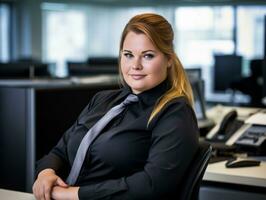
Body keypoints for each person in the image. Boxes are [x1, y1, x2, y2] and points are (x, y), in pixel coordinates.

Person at [32, 13, 199, 200]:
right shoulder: (102, 100)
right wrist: (46, 172)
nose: (135, 65)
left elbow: (152, 185)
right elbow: (60, 150)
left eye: (148, 56)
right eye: (128, 55)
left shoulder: (174, 112)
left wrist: (71, 194)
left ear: (169, 59)